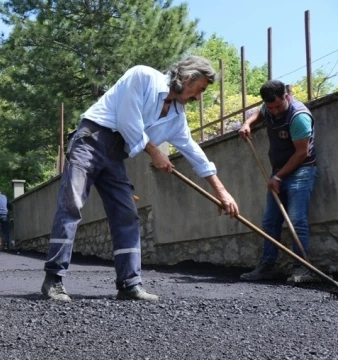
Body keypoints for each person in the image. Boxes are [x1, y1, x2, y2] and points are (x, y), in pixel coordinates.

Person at [41, 56, 239, 303]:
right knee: (72, 203)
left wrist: (221, 191)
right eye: (199, 90)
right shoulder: (143, 76)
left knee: (127, 214)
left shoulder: (177, 116)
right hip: (91, 139)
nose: (198, 97)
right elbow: (127, 121)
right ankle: (54, 279)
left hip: (116, 154)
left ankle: (129, 284)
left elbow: (192, 149)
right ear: (188, 77)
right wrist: (155, 152)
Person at [238, 80, 319, 284]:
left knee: (296, 220)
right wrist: (247, 123)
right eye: (270, 107)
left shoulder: (298, 117)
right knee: (270, 221)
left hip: (301, 170)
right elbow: (261, 112)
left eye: (278, 106)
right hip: (278, 172)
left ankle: (304, 268)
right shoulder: (269, 107)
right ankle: (267, 266)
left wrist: (278, 177)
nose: (273, 111)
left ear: (287, 97)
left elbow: (301, 153)